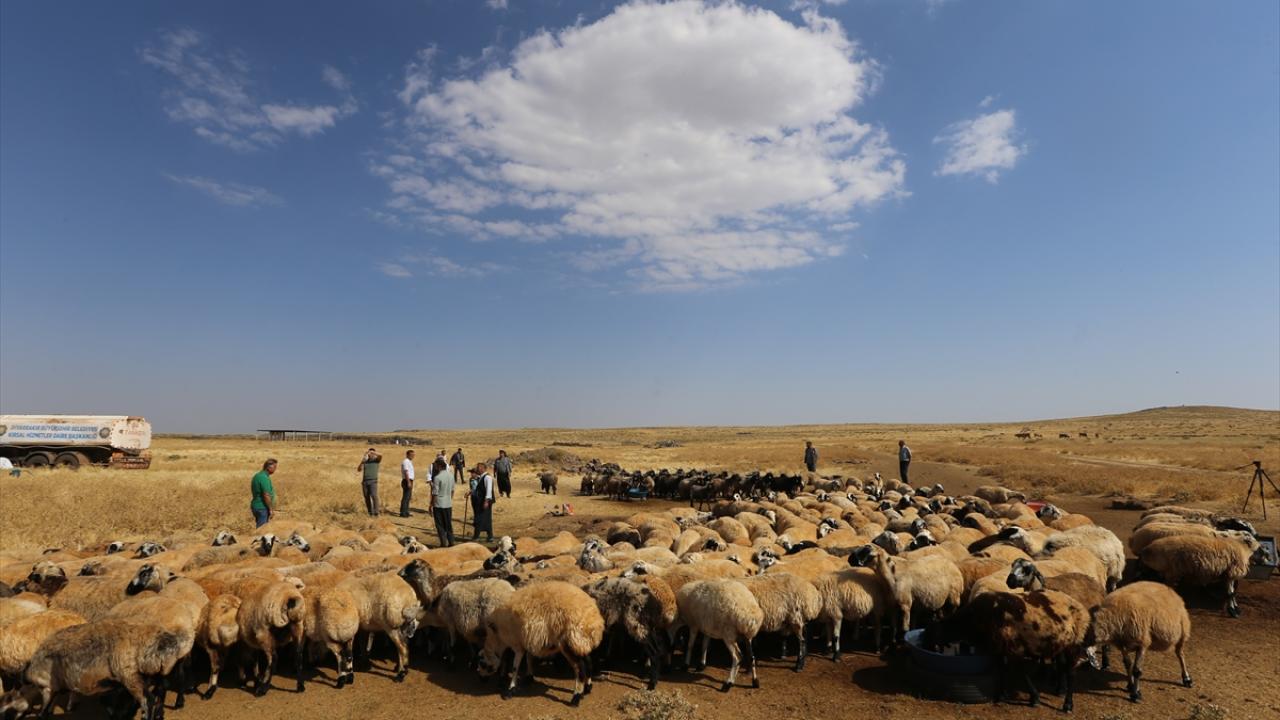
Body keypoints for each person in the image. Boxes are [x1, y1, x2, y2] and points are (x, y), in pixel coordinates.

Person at [429, 457, 455, 547]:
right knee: (448, 524)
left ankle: (443, 543)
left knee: (440, 525)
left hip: (439, 504)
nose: (435, 467)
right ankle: (451, 542)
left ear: (439, 466)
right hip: (448, 503)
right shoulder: (451, 475)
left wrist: (431, 505)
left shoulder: (437, 478)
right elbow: (452, 490)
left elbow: (435, 493)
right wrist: (449, 499)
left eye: (436, 465)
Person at [470, 462, 495, 542]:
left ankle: (476, 536)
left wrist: (486, 501)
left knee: (479, 518)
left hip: (484, 501)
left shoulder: (487, 477)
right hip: (481, 501)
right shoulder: (481, 477)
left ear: (483, 468)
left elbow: (488, 490)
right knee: (485, 518)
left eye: (478, 468)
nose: (477, 469)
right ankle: (489, 536)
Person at [250, 458, 278, 528]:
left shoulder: (258, 475)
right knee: (262, 530)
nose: (275, 469)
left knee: (261, 528)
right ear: (268, 467)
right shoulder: (264, 478)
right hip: (262, 508)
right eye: (274, 467)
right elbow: (266, 495)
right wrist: (270, 509)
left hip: (257, 506)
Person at [357, 448, 382, 517]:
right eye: (370, 453)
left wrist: (373, 452)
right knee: (366, 497)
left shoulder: (376, 460)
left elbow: (381, 455)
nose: (371, 455)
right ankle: (370, 512)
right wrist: (362, 461)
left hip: (373, 481)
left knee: (374, 496)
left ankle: (376, 512)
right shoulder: (365, 461)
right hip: (365, 481)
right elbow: (359, 469)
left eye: (372, 453)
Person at [399, 450, 416, 518]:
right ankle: (403, 512)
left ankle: (406, 511)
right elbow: (406, 472)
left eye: (413, 455)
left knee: (408, 497)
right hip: (407, 480)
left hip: (409, 480)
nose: (413, 456)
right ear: (407, 455)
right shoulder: (406, 462)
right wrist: (408, 482)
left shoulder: (409, 462)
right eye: (411, 455)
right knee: (406, 497)